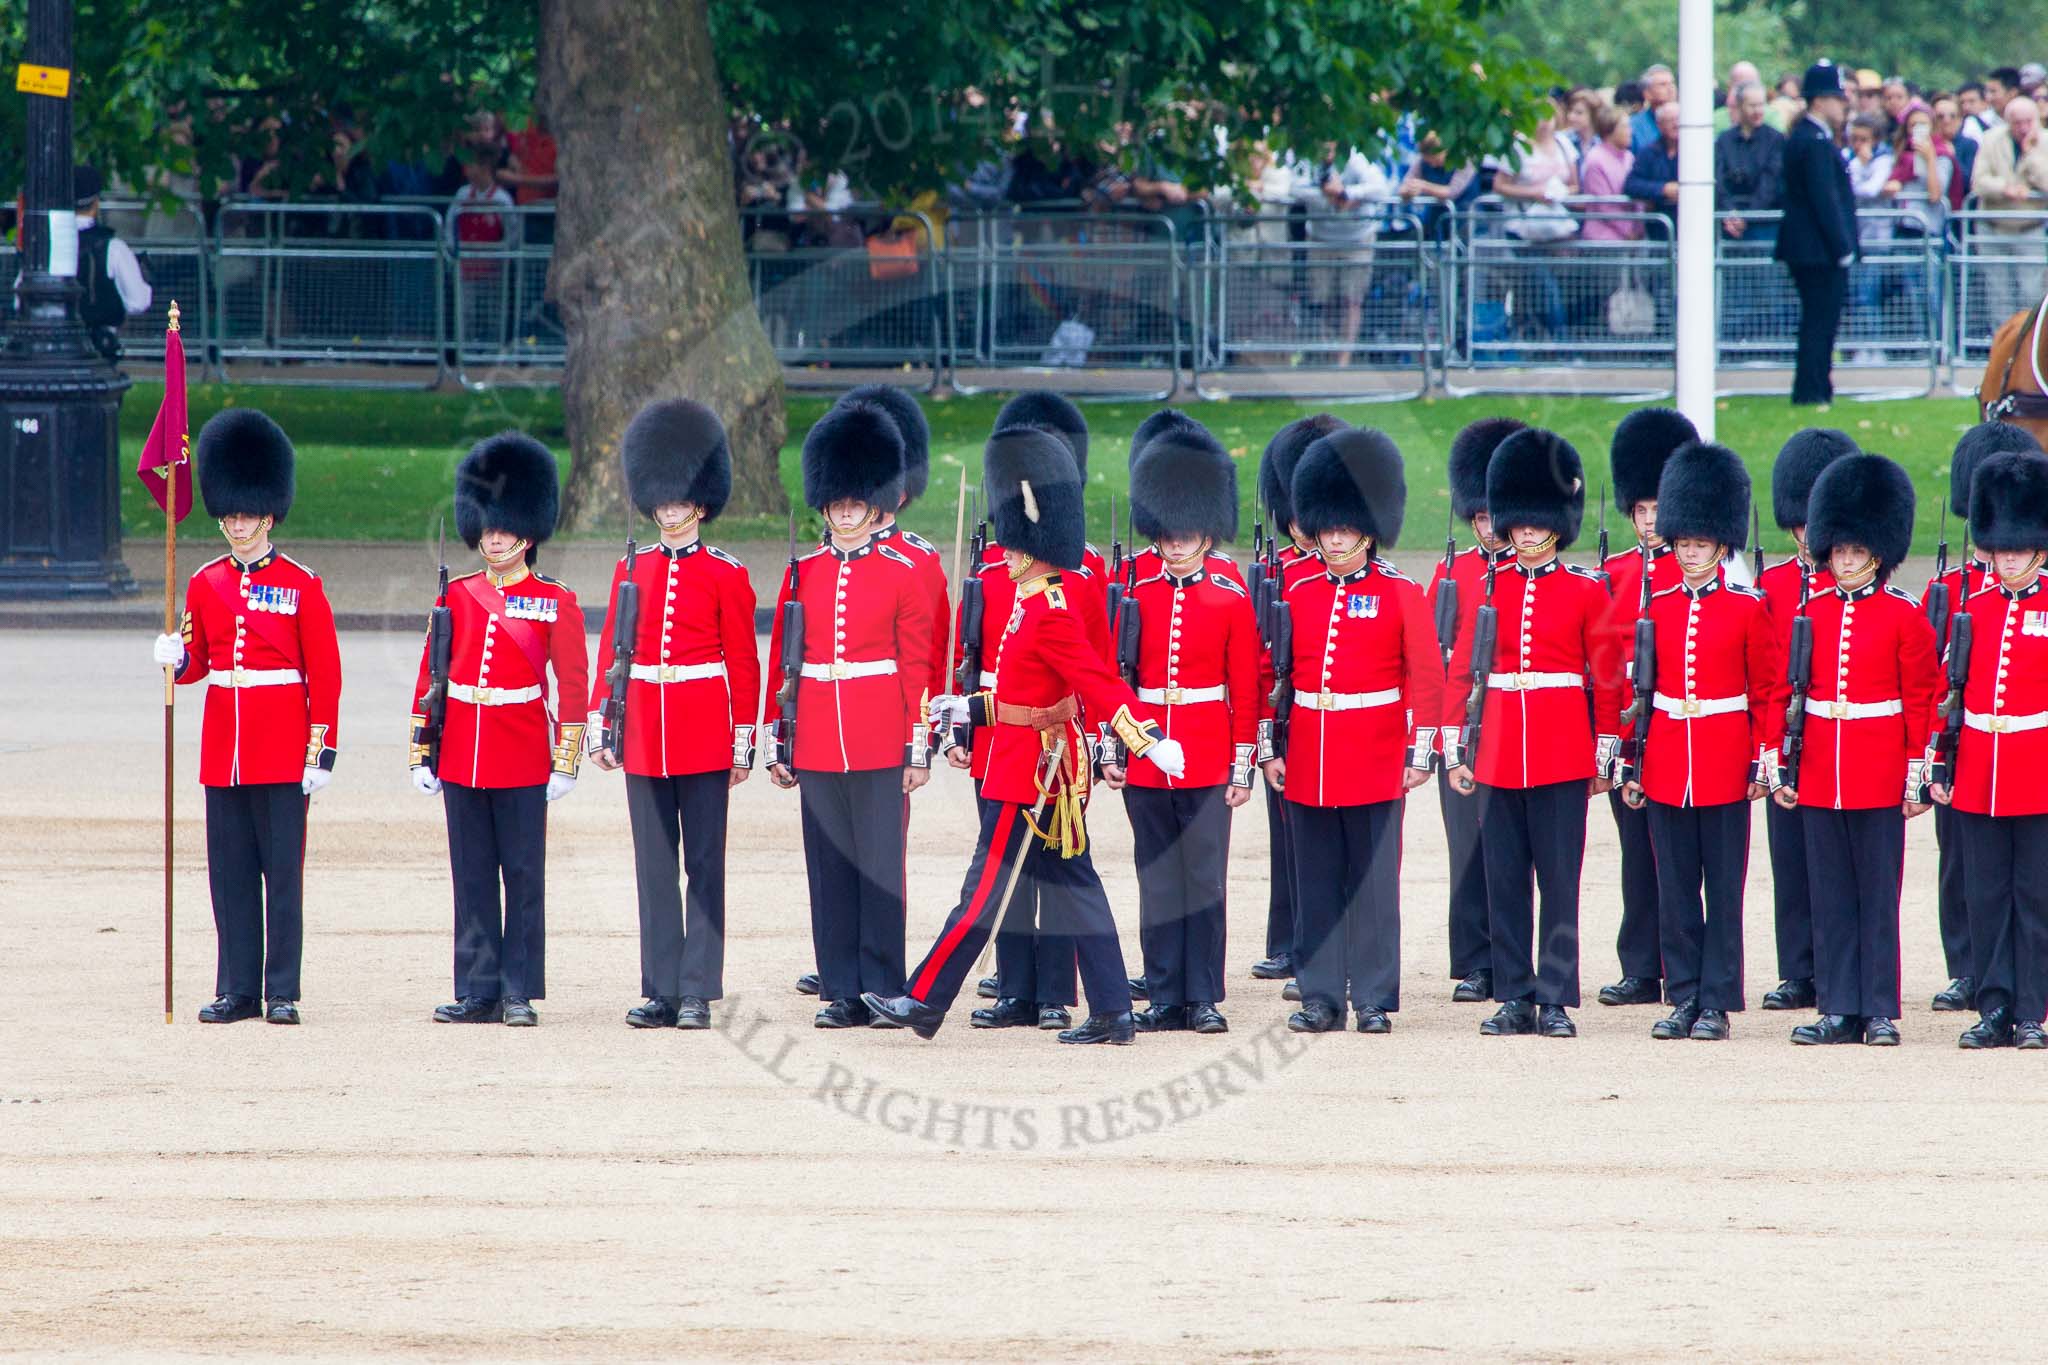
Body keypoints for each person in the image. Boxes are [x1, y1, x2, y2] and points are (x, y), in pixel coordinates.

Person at [864, 428, 1187, 1043]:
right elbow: (1020, 698)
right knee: (1075, 885)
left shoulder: (1050, 608)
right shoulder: (1025, 599)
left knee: (982, 890)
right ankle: (1114, 1010)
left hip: (1032, 777)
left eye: (1013, 544)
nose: (1003, 553)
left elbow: (1095, 680)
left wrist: (1146, 737)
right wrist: (967, 708)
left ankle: (925, 999)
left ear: (1033, 546)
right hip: (1028, 759)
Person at [150, 410, 341, 1025]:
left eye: (246, 515)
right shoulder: (204, 583)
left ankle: (281, 988)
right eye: (229, 515)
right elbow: (200, 662)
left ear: (268, 514)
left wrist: (321, 750)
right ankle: (237, 987)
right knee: (230, 878)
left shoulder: (302, 585)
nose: (236, 524)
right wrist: (175, 661)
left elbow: (325, 676)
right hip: (224, 750)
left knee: (281, 876)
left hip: (283, 747)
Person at [584, 399, 759, 1031]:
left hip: (705, 731)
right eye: (661, 500)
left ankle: (697, 989)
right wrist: (606, 725)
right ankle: (660, 986)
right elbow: (611, 654)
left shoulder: (727, 574)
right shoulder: (630, 568)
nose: (668, 510)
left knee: (704, 864)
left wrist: (743, 744)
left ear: (700, 504)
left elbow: (743, 662)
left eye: (679, 500)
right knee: (653, 866)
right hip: (646, 735)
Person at [1261, 428, 1443, 1034]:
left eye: (1346, 528)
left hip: (1375, 752)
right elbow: (1275, 677)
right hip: (1310, 752)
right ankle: (1320, 997)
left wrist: (1421, 752)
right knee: (1313, 884)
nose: (1335, 538)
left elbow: (1427, 679)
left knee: (1371, 887)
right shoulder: (1297, 588)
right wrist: (1270, 749)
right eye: (1328, 528)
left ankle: (1372, 997)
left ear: (1368, 530)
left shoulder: (1399, 591)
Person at [1444, 429, 1624, 1039]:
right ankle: (1513, 992)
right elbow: (1464, 671)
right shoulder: (1489, 586)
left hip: (1561, 751)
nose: (1521, 533)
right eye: (1515, 523)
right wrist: (1456, 747)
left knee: (1558, 880)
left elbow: (1606, 680)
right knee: (1504, 883)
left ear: (1554, 522)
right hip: (1497, 752)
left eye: (1531, 523)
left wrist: (1604, 753)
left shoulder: (1585, 589)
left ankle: (1554, 996)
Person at [765, 400, 934, 1029]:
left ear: (874, 502)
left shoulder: (901, 573)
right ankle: (839, 986)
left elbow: (916, 667)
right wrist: (780, 742)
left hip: (878, 734)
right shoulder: (803, 572)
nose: (843, 510)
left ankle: (881, 984)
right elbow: (787, 664)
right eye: (836, 501)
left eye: (854, 501)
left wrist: (917, 748)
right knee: (828, 867)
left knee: (879, 865)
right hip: (815, 736)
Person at [409, 433, 587, 1028]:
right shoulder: (457, 595)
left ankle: (518, 990)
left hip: (522, 753)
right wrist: (421, 751)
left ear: (527, 534)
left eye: (503, 530)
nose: (493, 538)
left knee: (524, 878)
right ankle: (477, 989)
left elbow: (574, 685)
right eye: (486, 528)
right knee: (473, 879)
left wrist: (565, 760)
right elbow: (430, 676)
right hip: (462, 749)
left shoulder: (554, 601)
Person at [1772, 454, 1940, 1046]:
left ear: (1875, 552)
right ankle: (1839, 1005)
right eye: (1835, 551)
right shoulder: (1811, 613)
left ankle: (1878, 1007)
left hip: (1877, 770)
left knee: (1876, 892)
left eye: (1852, 551)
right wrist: (1783, 764)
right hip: (1821, 769)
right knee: (1831, 892)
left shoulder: (1904, 617)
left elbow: (1920, 700)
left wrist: (1916, 774)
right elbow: (1789, 695)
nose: (1842, 560)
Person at [1620, 442, 1784, 1041]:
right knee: (1675, 888)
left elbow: (1767, 691)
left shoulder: (1747, 608)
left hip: (1722, 760)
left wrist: (1762, 759)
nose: (1688, 552)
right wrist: (1634, 761)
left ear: (1720, 545)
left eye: (1698, 544)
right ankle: (1683, 993)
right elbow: (1641, 691)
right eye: (1681, 543)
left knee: (1723, 887)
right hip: (1667, 759)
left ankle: (1717, 997)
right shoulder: (1657, 605)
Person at [1105, 425, 1259, 1034]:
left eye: (1186, 534)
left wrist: (1241, 763)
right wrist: (1115, 746)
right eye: (1167, 534)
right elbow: (1114, 678)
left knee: (1201, 876)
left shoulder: (1228, 594)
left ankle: (1204, 994)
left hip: (1205, 751)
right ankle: (1166, 992)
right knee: (1157, 876)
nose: (1175, 545)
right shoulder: (1134, 587)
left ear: (1207, 531)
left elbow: (1244, 687)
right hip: (1145, 750)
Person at [1919, 422, 2044, 1015]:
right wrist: (1935, 759)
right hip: (1976, 764)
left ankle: (2029, 1002)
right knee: (1976, 884)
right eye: (2000, 544)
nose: (2007, 554)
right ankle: (1983, 988)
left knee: (2032, 891)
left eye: (2018, 546)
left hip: (2032, 766)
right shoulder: (1962, 597)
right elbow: (1938, 684)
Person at [1755, 427, 1858, 1012]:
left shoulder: (1846, 583)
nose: (1803, 537)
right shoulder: (1770, 585)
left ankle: (1837, 966)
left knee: (1833, 864)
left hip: (1831, 738)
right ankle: (1798, 967)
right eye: (1797, 526)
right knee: (1789, 858)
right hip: (1785, 737)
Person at [1598, 407, 1698, 1008]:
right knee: (1636, 851)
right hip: (1628, 731)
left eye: (1661, 508)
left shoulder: (1697, 570)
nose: (1652, 521)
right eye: (1642, 510)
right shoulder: (1612, 573)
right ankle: (1641, 964)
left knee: (1678, 856)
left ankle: (1682, 962)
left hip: (1677, 727)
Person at [1247, 413, 1348, 991]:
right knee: (1286, 828)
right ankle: (1284, 939)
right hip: (1284, 716)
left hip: (1325, 708)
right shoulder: (1276, 572)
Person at [1426, 417, 1524, 1003]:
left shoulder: (1529, 574)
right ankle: (1474, 959)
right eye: (1480, 518)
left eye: (1496, 517)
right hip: (1463, 730)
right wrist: (1439, 735)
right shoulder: (1453, 570)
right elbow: (1436, 661)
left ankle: (1509, 956)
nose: (1489, 529)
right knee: (1466, 848)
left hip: (1511, 728)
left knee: (1508, 849)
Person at [1776, 61, 1858, 406]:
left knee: (1820, 322)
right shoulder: (1812, 141)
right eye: (1838, 99)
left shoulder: (1813, 138)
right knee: (1819, 323)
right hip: (1816, 249)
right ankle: (1812, 390)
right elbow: (1824, 199)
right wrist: (1842, 247)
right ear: (1820, 101)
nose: (1843, 106)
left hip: (1811, 248)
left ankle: (1816, 387)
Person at [1296, 142, 1389, 368]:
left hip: (1357, 238)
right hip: (1320, 238)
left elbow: (1381, 188)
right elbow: (1293, 188)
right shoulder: (1307, 159)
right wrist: (1326, 195)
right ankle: (1326, 352)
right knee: (1322, 299)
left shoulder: (1357, 159)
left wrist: (1347, 193)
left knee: (1352, 299)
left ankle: (1343, 358)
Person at [1968, 97, 2048, 327]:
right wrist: (2005, 188)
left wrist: (2030, 155)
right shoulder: (1991, 139)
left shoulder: (2045, 141)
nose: (2023, 128)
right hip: (1993, 226)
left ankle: (2029, 346)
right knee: (1998, 292)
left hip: (2029, 228)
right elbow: (1979, 181)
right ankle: (2004, 347)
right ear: (2007, 121)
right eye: (2017, 122)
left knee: (2031, 291)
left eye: (2028, 122)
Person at [71, 165, 152, 362]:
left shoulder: (45, 246)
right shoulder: (113, 248)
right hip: (100, 351)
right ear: (96, 202)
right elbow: (139, 302)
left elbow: (19, 300)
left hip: (52, 349)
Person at [1578, 105, 1639, 241]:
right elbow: (1604, 205)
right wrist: (1628, 230)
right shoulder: (1595, 159)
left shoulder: (1629, 157)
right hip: (1604, 238)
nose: (1630, 131)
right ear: (1610, 130)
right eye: (1625, 127)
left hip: (1631, 238)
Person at [1632, 65, 1677, 152]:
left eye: (1672, 83)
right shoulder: (1633, 127)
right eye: (1662, 85)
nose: (1670, 88)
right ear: (1647, 93)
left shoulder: (1687, 122)